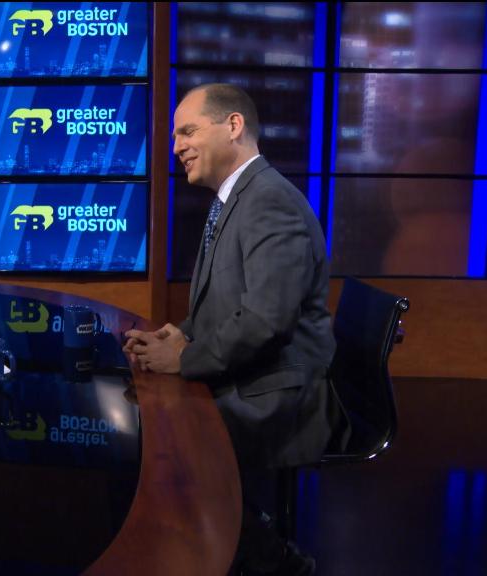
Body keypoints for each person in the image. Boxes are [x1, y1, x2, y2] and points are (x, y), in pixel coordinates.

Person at [124, 84, 344, 575]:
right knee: (152, 418)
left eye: (187, 131)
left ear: (234, 126)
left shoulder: (269, 201)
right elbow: (230, 305)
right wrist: (179, 335)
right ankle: (226, 540)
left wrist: (185, 358)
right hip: (258, 374)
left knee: (170, 439)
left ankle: (276, 561)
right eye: (176, 136)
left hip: (282, 394)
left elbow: (267, 320)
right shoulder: (236, 198)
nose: (176, 146)